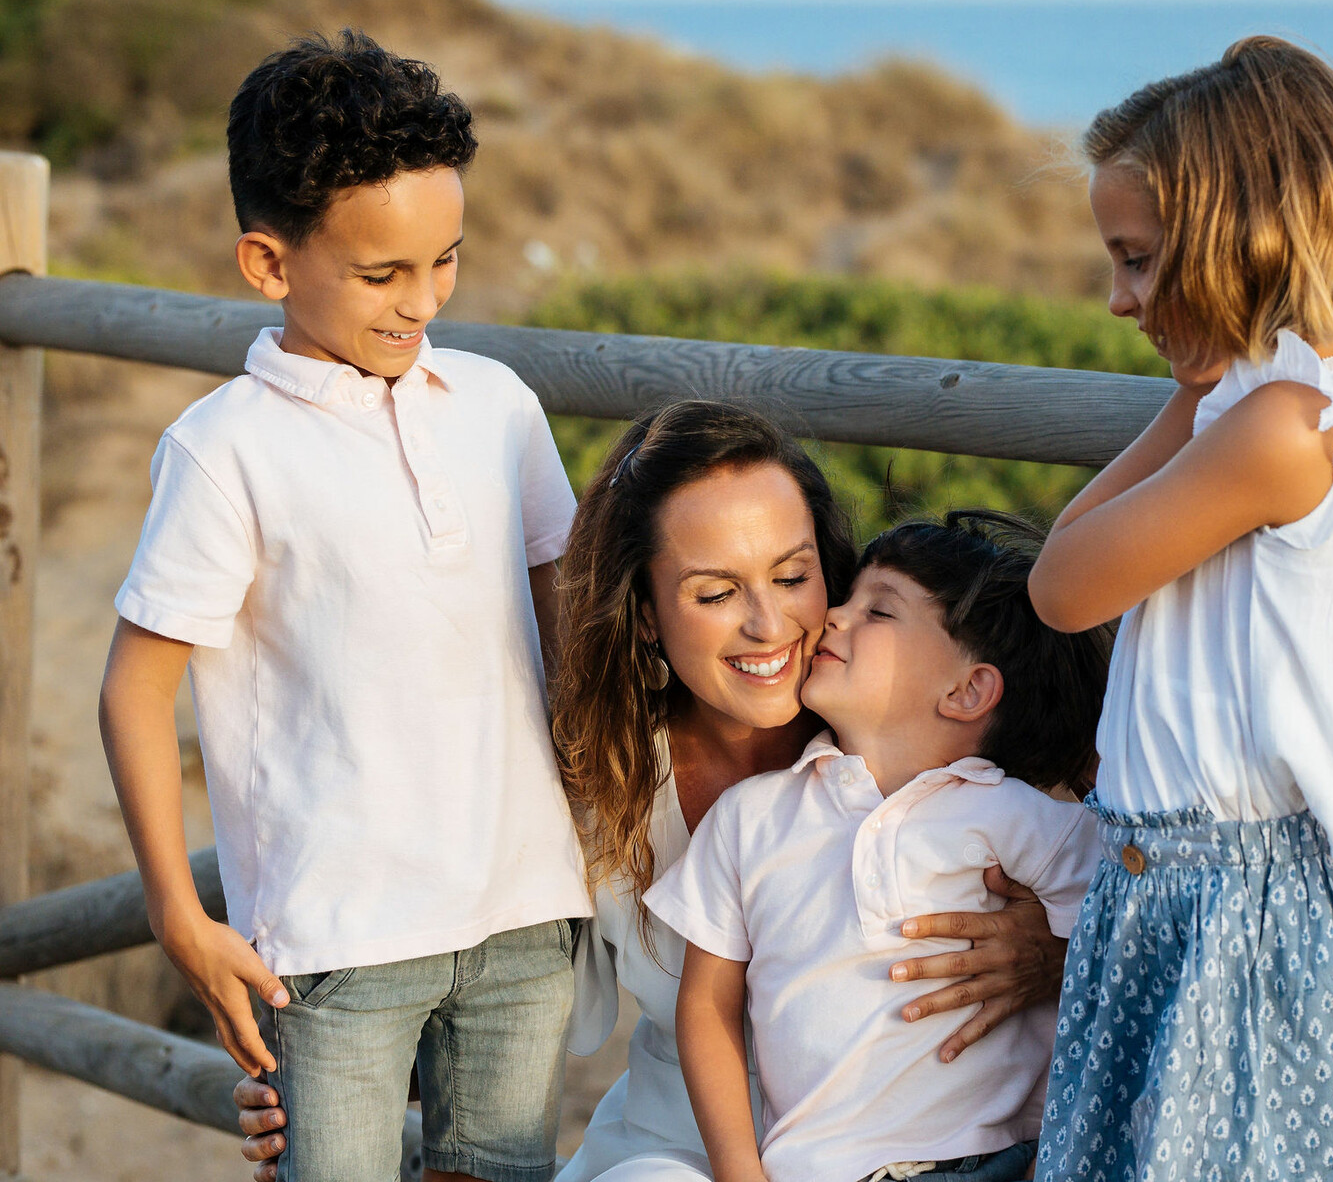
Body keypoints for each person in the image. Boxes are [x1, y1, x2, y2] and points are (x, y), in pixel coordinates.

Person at [234, 401, 1074, 1181]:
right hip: (672, 1152)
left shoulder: (930, 740)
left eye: (793, 576)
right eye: (714, 593)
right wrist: (320, 1090)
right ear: (644, 614)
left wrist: (1053, 955)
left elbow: (1113, 884)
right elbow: (483, 1003)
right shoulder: (599, 779)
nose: (769, 626)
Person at [99, 30, 592, 1182]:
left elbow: (567, 626)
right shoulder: (224, 450)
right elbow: (134, 687)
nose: (423, 302)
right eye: (383, 275)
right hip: (332, 942)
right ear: (269, 265)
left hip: (525, 913)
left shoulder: (500, 406)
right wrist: (180, 918)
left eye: (447, 261)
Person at [1027, 36, 1333, 1182]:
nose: (1119, 299)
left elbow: (1063, 583)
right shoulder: (1289, 409)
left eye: (1137, 261)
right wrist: (1212, 381)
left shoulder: (1282, 431)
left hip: (1239, 927)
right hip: (1189, 905)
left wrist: (1199, 400)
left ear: (1237, 238)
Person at [648, 512, 1109, 1182]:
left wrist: (1057, 954)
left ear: (968, 690)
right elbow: (707, 1004)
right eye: (848, 598)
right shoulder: (751, 817)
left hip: (994, 1163)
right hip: (809, 1169)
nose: (834, 615)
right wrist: (736, 1169)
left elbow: (1121, 959)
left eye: (880, 611)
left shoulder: (1024, 821)